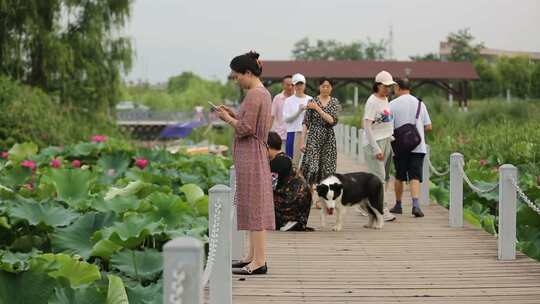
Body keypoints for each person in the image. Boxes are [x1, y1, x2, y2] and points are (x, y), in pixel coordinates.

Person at [215, 51, 273, 275]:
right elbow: (249, 121)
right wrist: (234, 114)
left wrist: (228, 119)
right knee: (251, 205)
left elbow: (246, 128)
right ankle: (252, 256)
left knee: (255, 207)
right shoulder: (262, 93)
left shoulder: (254, 94)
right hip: (255, 153)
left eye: (237, 75)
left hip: (251, 154)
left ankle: (259, 261)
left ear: (248, 73)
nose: (235, 79)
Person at [389, 78, 432, 217]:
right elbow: (428, 126)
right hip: (417, 146)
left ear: (398, 88)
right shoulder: (420, 103)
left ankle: (398, 205)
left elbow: (389, 127)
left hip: (399, 147)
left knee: (399, 176)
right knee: (415, 176)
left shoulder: (392, 104)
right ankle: (415, 205)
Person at [362, 70, 396, 222]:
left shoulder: (386, 99)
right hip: (374, 143)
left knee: (384, 177)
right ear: (378, 85)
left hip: (387, 140)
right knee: (380, 178)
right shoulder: (372, 101)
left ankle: (365, 205)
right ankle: (383, 209)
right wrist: (376, 148)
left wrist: (390, 137)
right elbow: (367, 126)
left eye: (390, 86)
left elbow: (385, 122)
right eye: (385, 86)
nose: (388, 89)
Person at [268, 132, 312, 231]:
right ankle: (293, 221)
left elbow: (270, 187)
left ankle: (287, 221)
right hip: (302, 202)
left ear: (267, 146)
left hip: (292, 201)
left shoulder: (276, 163)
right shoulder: (285, 157)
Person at [300, 78, 339, 186]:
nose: (325, 88)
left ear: (331, 88)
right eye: (323, 86)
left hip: (328, 138)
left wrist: (318, 108)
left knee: (327, 168)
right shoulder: (311, 101)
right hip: (313, 137)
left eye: (328, 86)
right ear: (319, 87)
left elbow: (332, 120)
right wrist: (302, 141)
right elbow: (306, 123)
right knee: (312, 168)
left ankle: (323, 199)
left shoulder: (334, 102)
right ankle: (310, 197)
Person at [282, 73, 311, 169]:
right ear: (293, 85)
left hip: (308, 133)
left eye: (301, 84)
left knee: (308, 163)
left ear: (305, 85)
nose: (299, 87)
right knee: (292, 163)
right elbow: (287, 119)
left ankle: (307, 183)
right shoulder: (288, 101)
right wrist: (299, 111)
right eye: (297, 84)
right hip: (293, 133)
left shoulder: (310, 99)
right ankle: (292, 183)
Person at [270, 75, 294, 149]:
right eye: (287, 85)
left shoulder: (298, 98)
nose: (290, 87)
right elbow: (272, 116)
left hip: (295, 134)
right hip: (280, 135)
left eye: (292, 85)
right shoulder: (277, 98)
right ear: (283, 85)